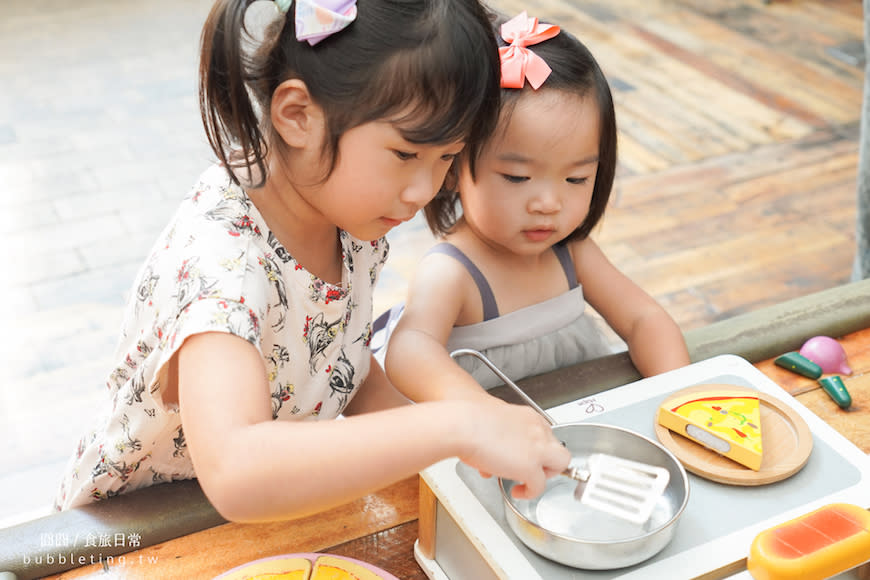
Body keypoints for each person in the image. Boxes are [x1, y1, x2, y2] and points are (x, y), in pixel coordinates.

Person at [54, 0, 571, 521]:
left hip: (275, 517)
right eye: (406, 154)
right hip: (133, 536)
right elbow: (238, 472)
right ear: (297, 116)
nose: (423, 189)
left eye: (447, 158)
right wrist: (457, 425)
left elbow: (341, 364)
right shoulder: (222, 265)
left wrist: (456, 451)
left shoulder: (349, 214)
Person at [380, 11, 691, 399]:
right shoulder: (452, 271)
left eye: (576, 179)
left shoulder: (570, 253)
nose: (548, 203)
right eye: (517, 178)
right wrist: (482, 419)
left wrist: (680, 394)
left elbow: (644, 319)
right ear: (454, 165)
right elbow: (410, 351)